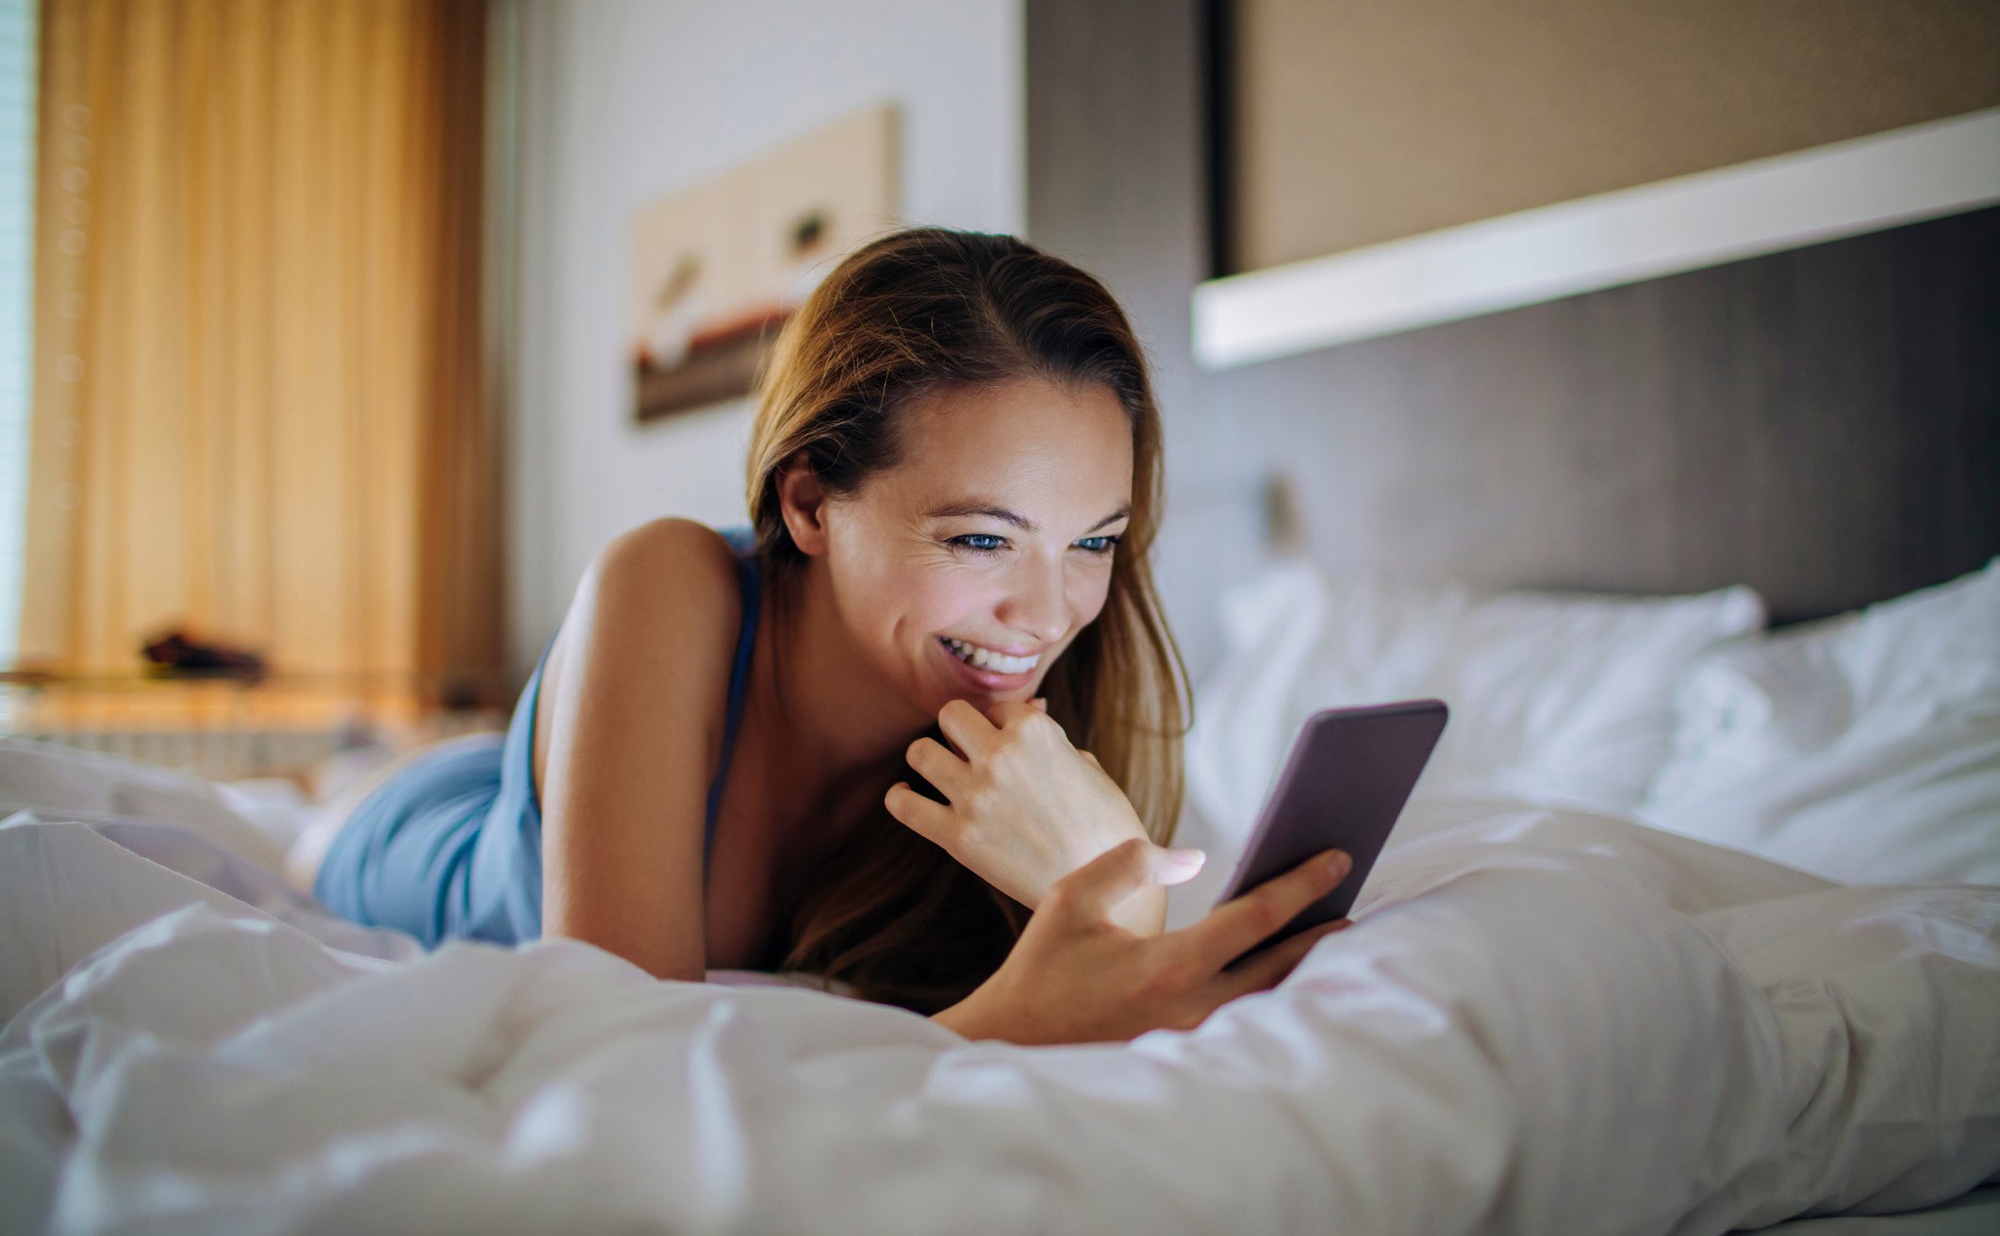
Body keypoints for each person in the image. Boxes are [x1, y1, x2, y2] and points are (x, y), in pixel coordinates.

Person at [293, 227, 1353, 1045]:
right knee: (344, 798)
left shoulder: (1027, 729)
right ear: (808, 505)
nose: (1045, 615)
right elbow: (616, 1062)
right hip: (421, 836)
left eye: (1091, 540)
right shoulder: (664, 584)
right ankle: (343, 772)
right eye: (982, 538)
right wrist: (1019, 1018)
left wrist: (1109, 897)